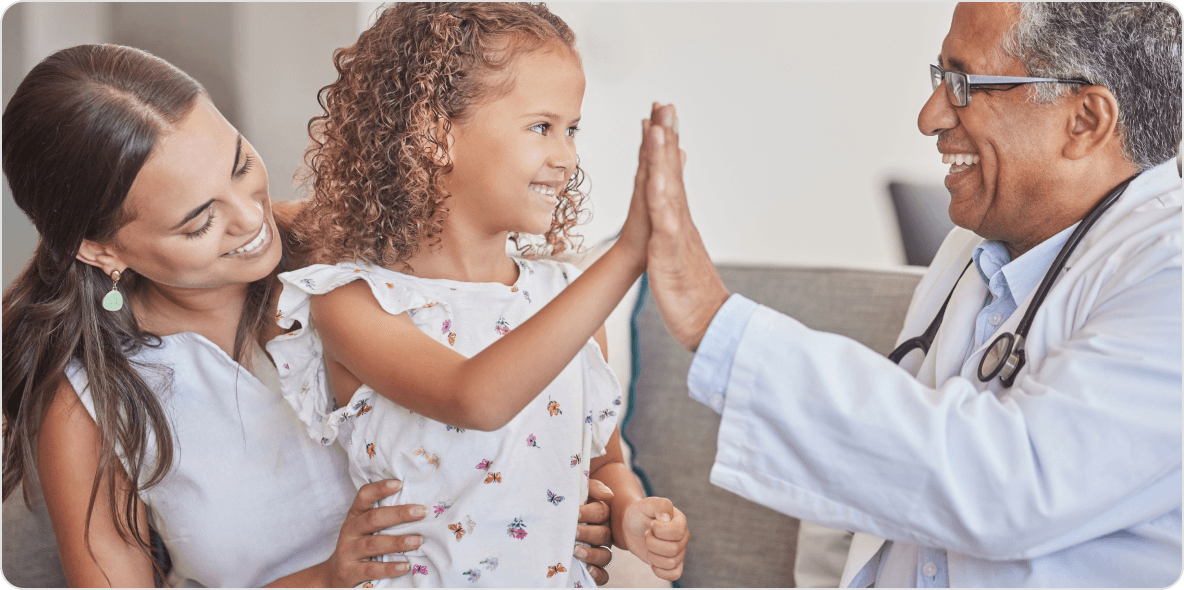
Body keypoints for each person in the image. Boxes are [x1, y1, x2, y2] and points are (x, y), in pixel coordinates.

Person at [1, 43, 616, 587]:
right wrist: (323, 580)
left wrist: (568, 507)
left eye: (241, 166)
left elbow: (514, 379)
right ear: (99, 248)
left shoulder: (355, 251)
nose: (250, 220)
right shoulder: (90, 398)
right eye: (199, 220)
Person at [638, 2, 1180, 587]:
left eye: (963, 83)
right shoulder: (975, 248)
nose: (929, 117)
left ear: (1086, 120)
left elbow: (1009, 485)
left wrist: (713, 320)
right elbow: (880, 494)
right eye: (939, 78)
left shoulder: (1167, 273)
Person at [275, 3, 689, 586]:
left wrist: (629, 513)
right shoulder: (354, 302)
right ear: (435, 135)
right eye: (541, 127)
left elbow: (602, 459)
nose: (567, 156)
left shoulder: (563, 300)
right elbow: (474, 399)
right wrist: (628, 253)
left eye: (573, 129)